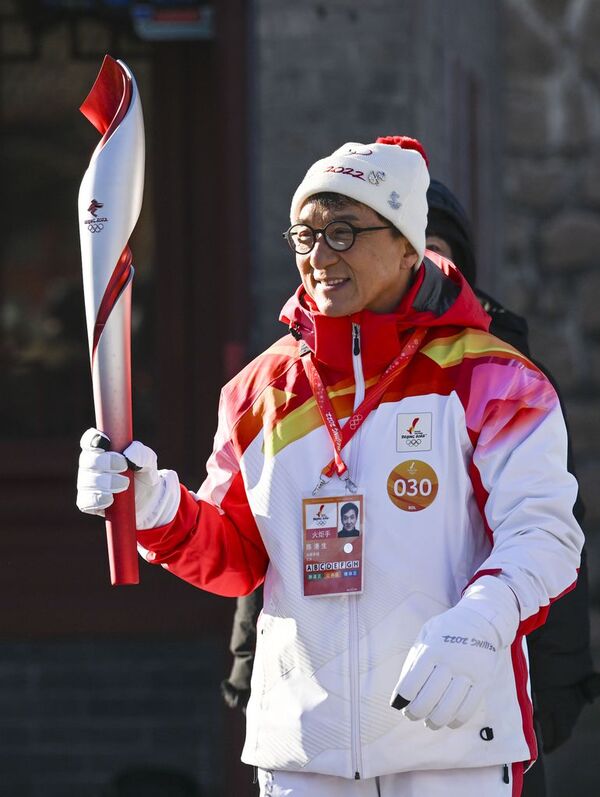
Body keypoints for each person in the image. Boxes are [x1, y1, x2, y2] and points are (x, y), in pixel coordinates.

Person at [77, 136, 584, 797]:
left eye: (344, 231)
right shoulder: (260, 391)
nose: (319, 257)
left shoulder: (490, 377)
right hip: (305, 757)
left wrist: (483, 618)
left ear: (406, 244)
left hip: (450, 740)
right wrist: (153, 506)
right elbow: (235, 558)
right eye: (305, 235)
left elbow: (545, 535)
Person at [425, 178, 600, 796]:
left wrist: (557, 688)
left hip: (496, 698)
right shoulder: (329, 372)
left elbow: (551, 531)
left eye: (435, 245)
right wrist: (250, 659)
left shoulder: (509, 372)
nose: (421, 262)